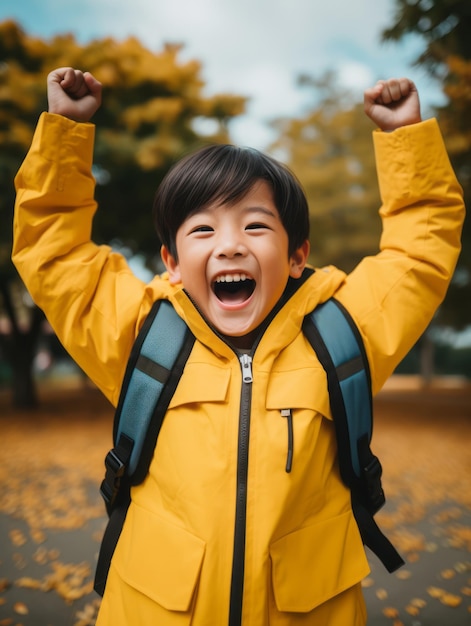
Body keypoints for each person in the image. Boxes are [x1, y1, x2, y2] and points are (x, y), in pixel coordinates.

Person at [12, 67, 464, 626]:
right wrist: (65, 130)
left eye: (255, 226)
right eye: (202, 230)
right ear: (172, 263)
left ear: (297, 255)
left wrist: (405, 139)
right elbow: (53, 253)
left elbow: (419, 256)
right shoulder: (138, 332)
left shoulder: (346, 330)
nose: (229, 247)